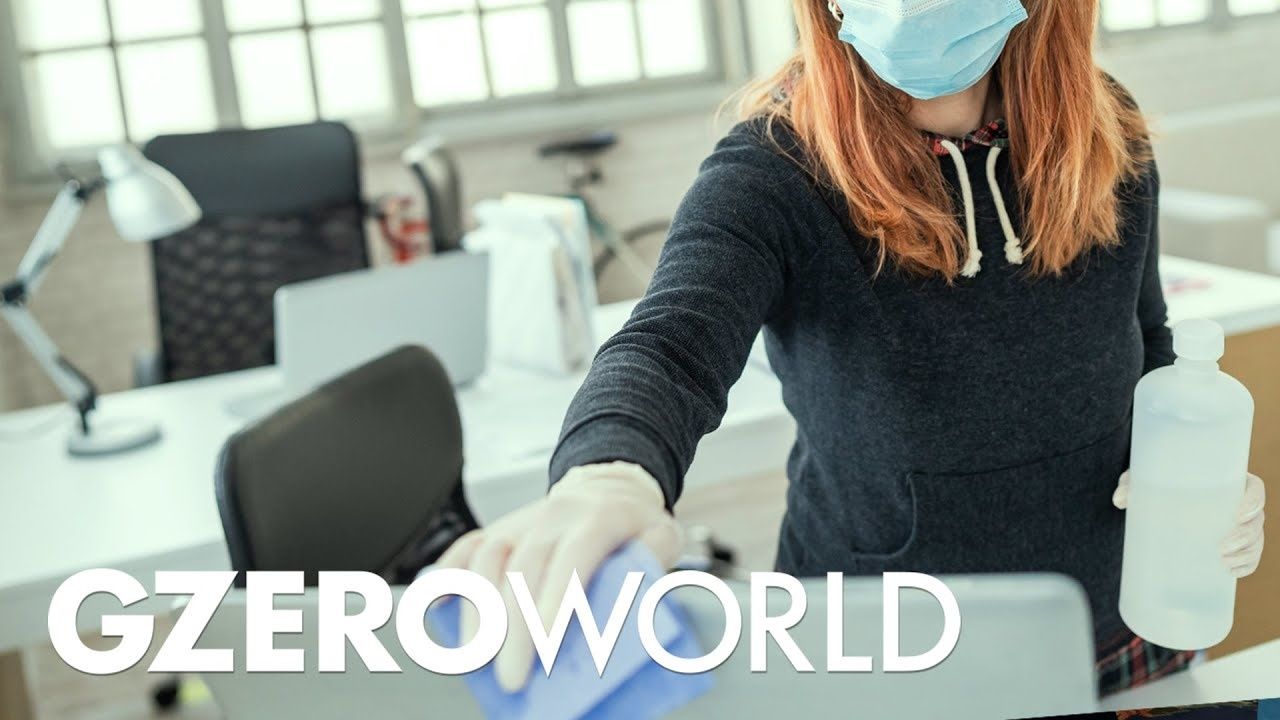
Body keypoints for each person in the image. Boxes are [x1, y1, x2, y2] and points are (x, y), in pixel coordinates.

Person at [440, 0, 1267, 696]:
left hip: (1117, 637)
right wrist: (607, 477)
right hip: (883, 657)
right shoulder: (776, 170)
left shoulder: (1103, 127)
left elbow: (1148, 338)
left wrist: (1191, 474)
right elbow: (669, 347)